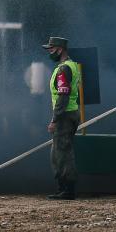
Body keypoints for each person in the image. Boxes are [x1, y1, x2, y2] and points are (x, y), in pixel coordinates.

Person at [44, 36, 80, 200]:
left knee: (63, 153)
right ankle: (63, 188)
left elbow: (63, 97)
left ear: (60, 49)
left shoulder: (64, 69)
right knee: (58, 152)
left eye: (51, 49)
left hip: (65, 115)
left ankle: (67, 190)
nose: (50, 52)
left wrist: (55, 119)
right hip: (71, 112)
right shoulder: (72, 65)